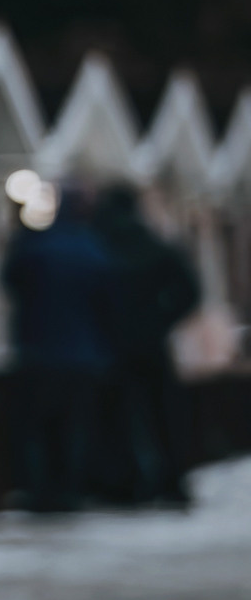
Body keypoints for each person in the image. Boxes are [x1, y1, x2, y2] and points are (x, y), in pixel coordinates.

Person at [0, 184, 117, 511]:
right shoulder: (93, 249)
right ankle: (70, 490)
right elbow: (108, 302)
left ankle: (40, 491)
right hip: (83, 355)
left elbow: (10, 280)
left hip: (39, 352)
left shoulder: (35, 246)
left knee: (39, 427)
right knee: (74, 427)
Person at [92, 185, 201, 504]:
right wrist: (161, 320)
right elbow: (189, 291)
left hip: (112, 347)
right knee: (162, 414)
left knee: (121, 417)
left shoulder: (100, 245)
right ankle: (171, 481)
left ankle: (129, 484)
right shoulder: (153, 245)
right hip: (151, 344)